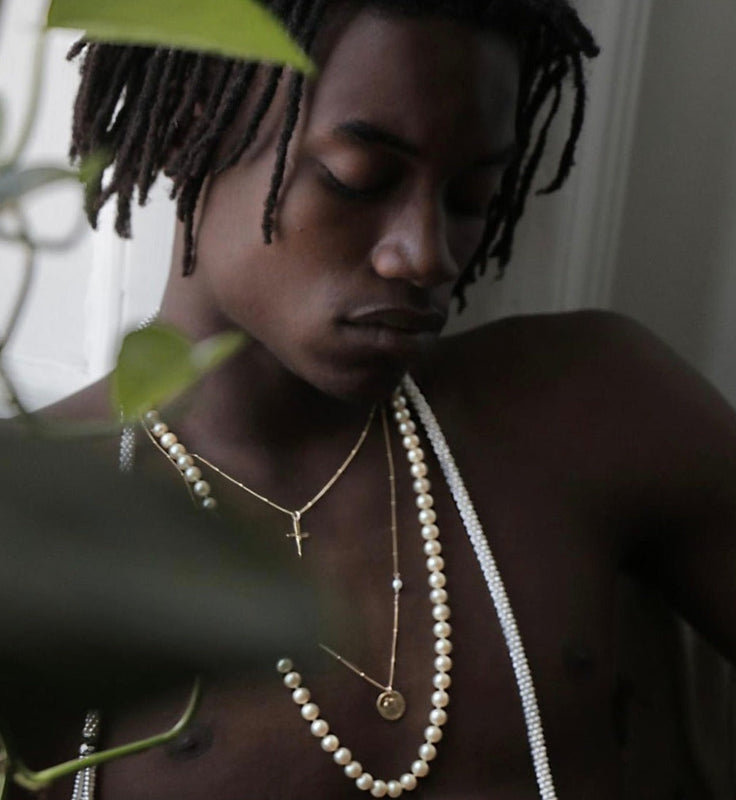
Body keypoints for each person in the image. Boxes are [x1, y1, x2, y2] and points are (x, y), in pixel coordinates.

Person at [48, 1, 736, 797]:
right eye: (358, 178)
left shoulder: (590, 406)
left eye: (473, 195)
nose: (424, 254)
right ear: (185, 127)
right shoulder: (18, 518)